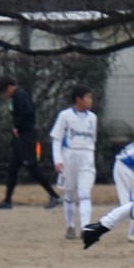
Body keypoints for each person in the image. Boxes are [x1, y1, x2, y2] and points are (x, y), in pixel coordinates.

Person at [0, 76, 59, 210]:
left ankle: (54, 195)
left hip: (26, 138)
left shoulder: (20, 96)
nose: (4, 96)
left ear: (10, 88)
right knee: (12, 168)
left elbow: (29, 114)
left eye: (4, 92)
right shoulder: (17, 97)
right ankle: (7, 200)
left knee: (32, 167)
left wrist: (18, 127)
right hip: (20, 139)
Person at [49, 85, 98, 239]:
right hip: (69, 157)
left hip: (87, 157)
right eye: (88, 97)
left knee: (84, 193)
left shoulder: (93, 118)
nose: (90, 101)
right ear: (78, 99)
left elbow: (92, 139)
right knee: (69, 193)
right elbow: (56, 139)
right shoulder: (65, 116)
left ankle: (86, 228)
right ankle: (70, 226)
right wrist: (58, 159)